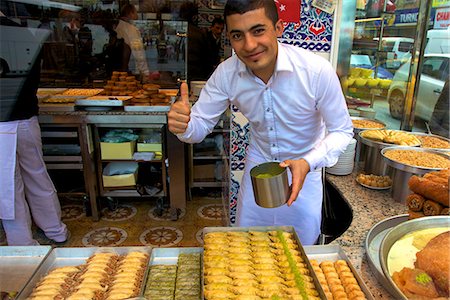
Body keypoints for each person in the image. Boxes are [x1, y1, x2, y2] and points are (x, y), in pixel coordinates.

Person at [168, 0, 353, 245]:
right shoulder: (226, 73)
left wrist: (308, 162)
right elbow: (199, 127)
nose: (249, 45)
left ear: (278, 27)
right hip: (258, 168)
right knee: (249, 246)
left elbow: (342, 131)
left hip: (305, 173)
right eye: (237, 35)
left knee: (301, 252)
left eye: (258, 31)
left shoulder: (316, 71)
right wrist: (184, 125)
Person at [0, 22, 68, 245]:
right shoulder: (23, 32)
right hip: (27, 119)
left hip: (3, 123)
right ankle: (56, 230)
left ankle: (22, 245)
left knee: (10, 188)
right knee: (37, 175)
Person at [114, 3, 150, 79]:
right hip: (126, 72)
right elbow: (138, 52)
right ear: (130, 13)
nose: (137, 16)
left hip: (116, 69)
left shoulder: (118, 26)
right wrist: (145, 72)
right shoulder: (131, 29)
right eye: (136, 12)